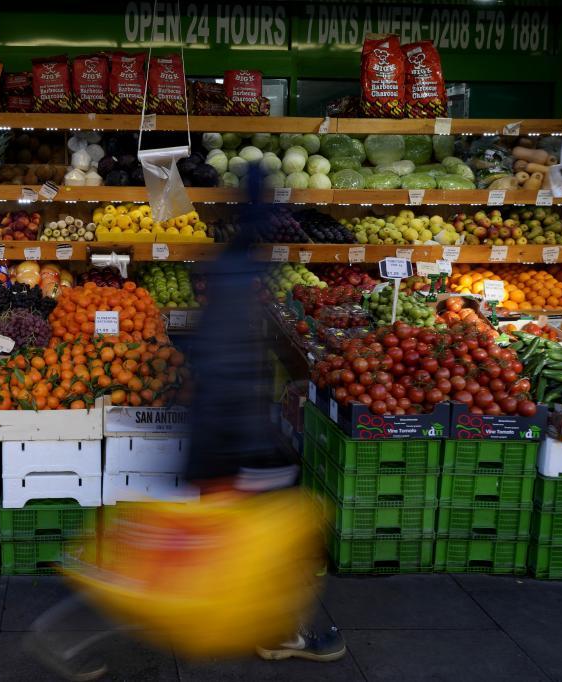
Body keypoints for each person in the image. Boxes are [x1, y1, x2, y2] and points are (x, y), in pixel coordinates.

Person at [24, 165, 344, 680]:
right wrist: (247, 453)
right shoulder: (239, 292)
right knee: (173, 564)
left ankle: (66, 631)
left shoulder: (229, 273)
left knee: (177, 555)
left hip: (220, 442)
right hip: (233, 446)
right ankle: (64, 630)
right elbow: (227, 378)